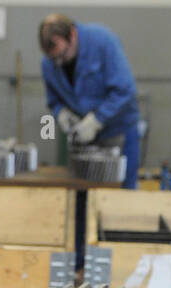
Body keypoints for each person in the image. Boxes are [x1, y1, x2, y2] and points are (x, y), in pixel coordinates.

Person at [39, 14, 139, 190]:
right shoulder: (49, 63)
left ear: (72, 35)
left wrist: (97, 120)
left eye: (62, 55)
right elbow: (53, 100)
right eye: (54, 59)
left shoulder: (103, 43)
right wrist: (61, 113)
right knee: (79, 193)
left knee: (119, 193)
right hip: (82, 139)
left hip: (117, 132)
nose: (58, 63)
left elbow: (125, 90)